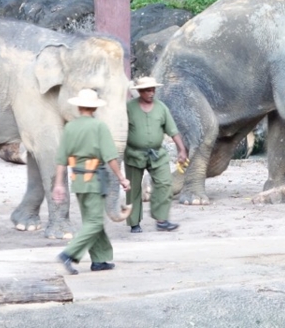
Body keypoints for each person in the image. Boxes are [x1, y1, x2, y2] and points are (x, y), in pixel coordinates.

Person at [53, 89, 131, 275]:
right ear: (94, 107)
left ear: (79, 106)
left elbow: (61, 159)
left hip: (78, 181)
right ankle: (68, 254)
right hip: (94, 180)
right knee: (95, 222)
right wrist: (121, 178)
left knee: (90, 220)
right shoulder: (99, 126)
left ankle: (99, 259)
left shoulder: (70, 127)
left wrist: (58, 184)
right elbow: (111, 156)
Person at [125, 77, 189, 234]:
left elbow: (173, 131)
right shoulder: (129, 108)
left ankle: (161, 220)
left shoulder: (161, 108)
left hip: (157, 154)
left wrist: (182, 150)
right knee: (133, 190)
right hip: (134, 154)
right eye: (147, 90)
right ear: (139, 92)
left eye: (153, 89)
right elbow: (120, 132)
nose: (151, 93)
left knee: (165, 183)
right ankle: (134, 223)